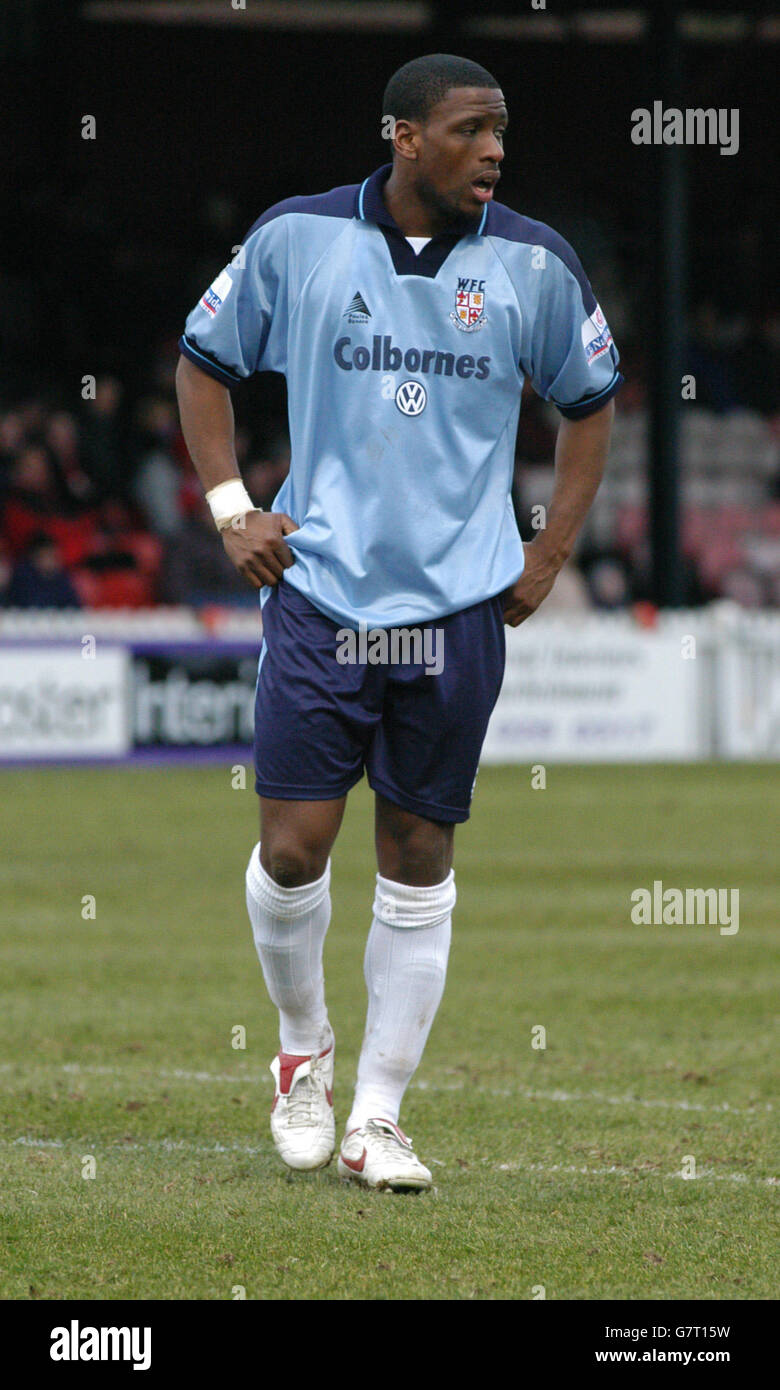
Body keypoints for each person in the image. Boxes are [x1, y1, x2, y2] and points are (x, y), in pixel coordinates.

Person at [175, 53, 621, 1192]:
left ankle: (380, 1116)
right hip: (323, 596)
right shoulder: (297, 239)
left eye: (503, 132)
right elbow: (203, 361)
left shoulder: (533, 263)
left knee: (419, 856)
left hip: (459, 606)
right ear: (403, 137)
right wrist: (232, 509)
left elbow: (590, 402)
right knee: (291, 848)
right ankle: (302, 1054)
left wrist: (548, 548)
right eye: (471, 129)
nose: (495, 151)